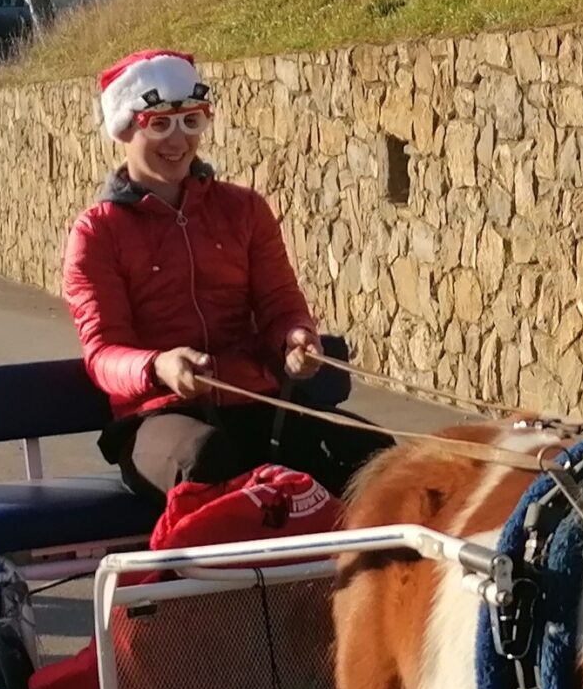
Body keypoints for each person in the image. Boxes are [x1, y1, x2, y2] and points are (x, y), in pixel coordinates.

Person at [64, 49, 389, 499]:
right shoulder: (97, 232)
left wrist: (295, 338)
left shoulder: (245, 210)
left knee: (376, 456)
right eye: (159, 124)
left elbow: (281, 305)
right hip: (158, 416)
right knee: (209, 458)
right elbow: (102, 353)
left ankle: (347, 568)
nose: (177, 141)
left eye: (191, 122)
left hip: (257, 400)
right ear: (126, 128)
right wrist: (158, 366)